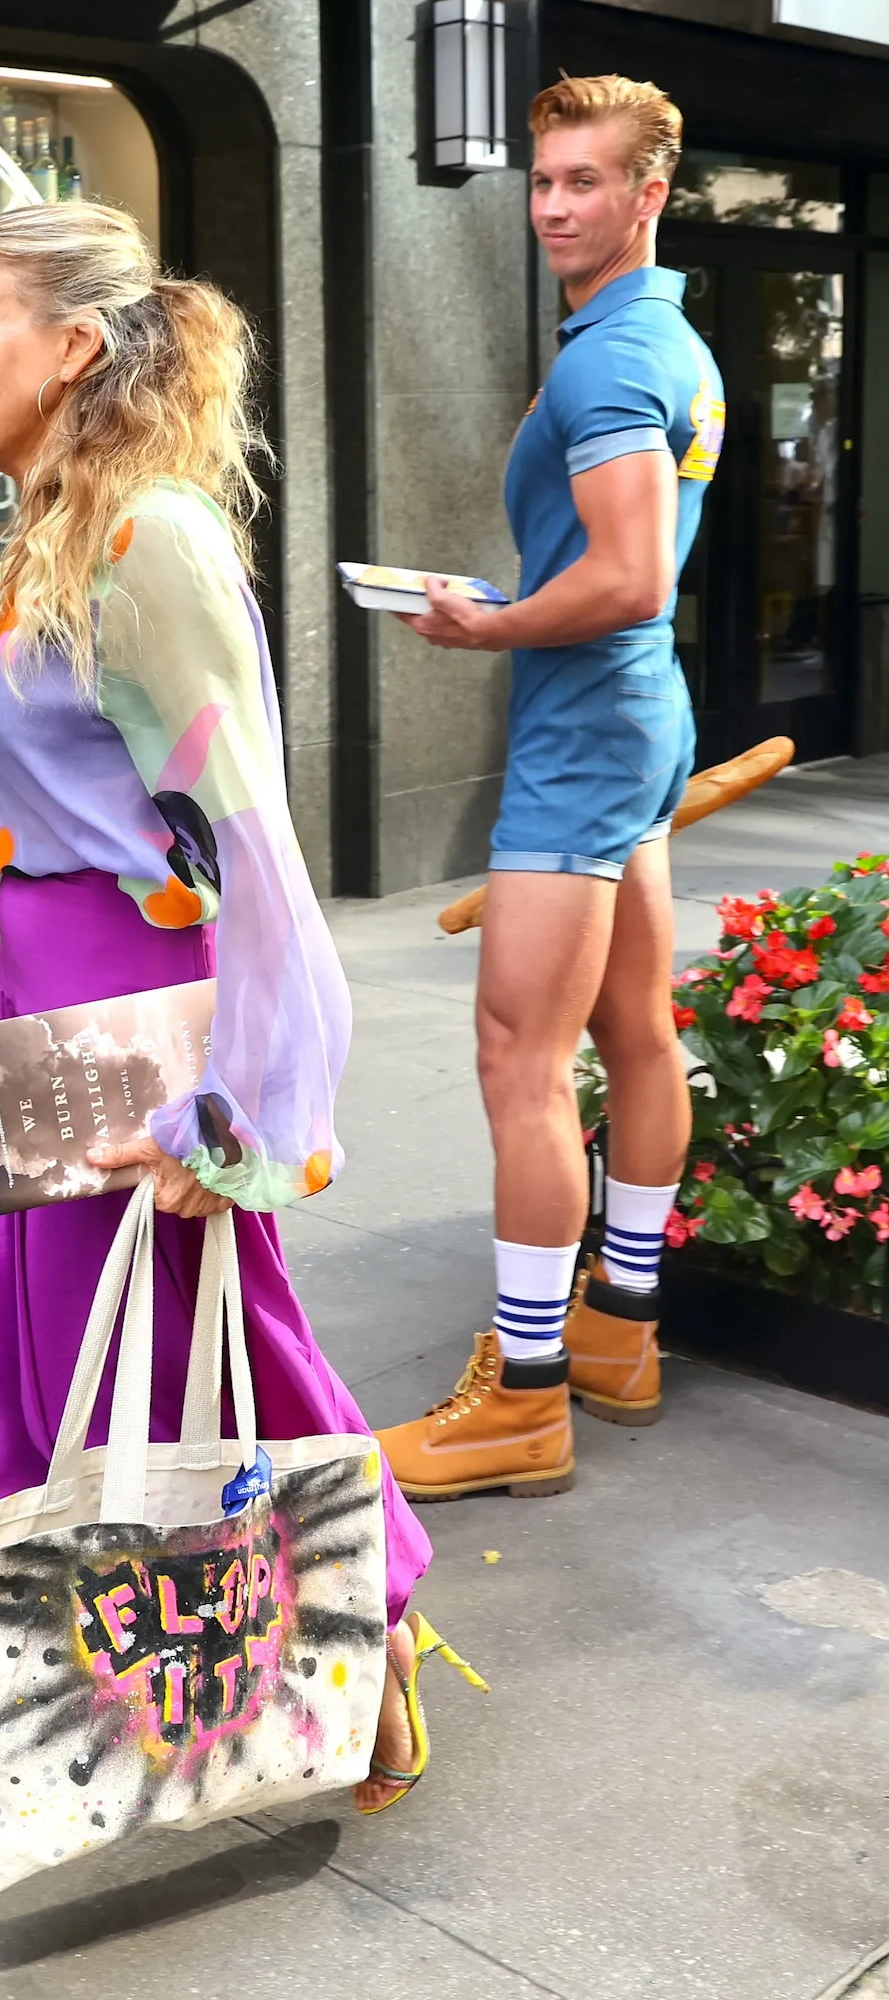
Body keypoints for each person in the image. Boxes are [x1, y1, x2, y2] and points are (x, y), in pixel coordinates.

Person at [0, 200, 481, 1816]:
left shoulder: (145, 540)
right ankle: (131, 1695)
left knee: (196, 1358)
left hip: (134, 1030)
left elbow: (255, 853)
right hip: (38, 1008)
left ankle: (368, 1634)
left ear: (72, 345)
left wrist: (241, 1112)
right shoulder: (47, 532)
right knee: (21, 1359)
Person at [377, 76, 725, 1498]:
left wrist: (490, 624)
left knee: (517, 1062)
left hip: (585, 729)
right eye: (541, 181)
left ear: (648, 194)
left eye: (584, 181)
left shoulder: (608, 360)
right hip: (629, 717)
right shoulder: (662, 341)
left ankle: (522, 1398)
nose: (553, 207)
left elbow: (629, 577)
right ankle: (617, 1332)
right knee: (635, 1030)